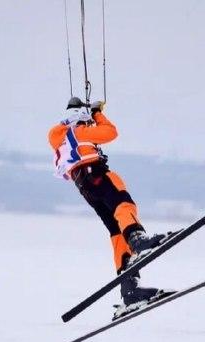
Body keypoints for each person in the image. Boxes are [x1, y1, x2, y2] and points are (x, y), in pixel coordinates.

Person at [48, 97, 173, 309]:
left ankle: (130, 288)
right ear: (80, 117)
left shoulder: (59, 138)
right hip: (97, 175)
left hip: (85, 188)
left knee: (116, 231)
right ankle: (138, 239)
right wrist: (97, 113)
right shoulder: (80, 132)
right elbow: (110, 132)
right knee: (124, 205)